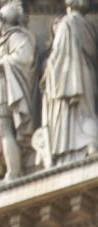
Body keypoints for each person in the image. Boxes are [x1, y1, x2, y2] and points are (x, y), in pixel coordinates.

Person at [37, 0, 98, 167]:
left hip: (67, 82)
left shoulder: (68, 24)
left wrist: (46, 71)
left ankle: (69, 154)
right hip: (87, 76)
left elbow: (58, 58)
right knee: (86, 113)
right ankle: (92, 144)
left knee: (73, 117)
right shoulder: (89, 27)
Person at [0, 0, 36, 180]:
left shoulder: (15, 37)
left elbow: (25, 56)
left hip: (5, 92)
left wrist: (2, 62)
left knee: (4, 129)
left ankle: (13, 172)